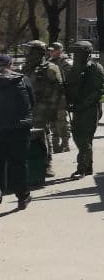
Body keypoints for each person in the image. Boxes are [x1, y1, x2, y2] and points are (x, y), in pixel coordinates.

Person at [21, 41, 61, 179]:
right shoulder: (26, 68)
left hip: (42, 109)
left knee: (43, 135)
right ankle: (30, 163)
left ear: (37, 53)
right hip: (27, 109)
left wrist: (51, 110)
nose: (27, 55)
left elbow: (58, 90)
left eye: (29, 51)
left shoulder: (50, 68)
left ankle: (47, 164)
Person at [66, 42, 104, 179]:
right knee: (80, 138)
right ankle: (88, 166)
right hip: (77, 108)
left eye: (79, 53)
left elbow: (98, 91)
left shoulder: (95, 68)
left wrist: (82, 105)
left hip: (89, 109)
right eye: (75, 53)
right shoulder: (76, 68)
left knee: (84, 139)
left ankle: (81, 168)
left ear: (86, 54)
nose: (76, 56)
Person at [0, 53, 33, 210]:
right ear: (10, 65)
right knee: (19, 163)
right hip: (19, 129)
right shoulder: (22, 79)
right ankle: (22, 197)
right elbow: (31, 102)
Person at [46, 42, 71, 153]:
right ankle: (55, 144)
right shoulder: (48, 62)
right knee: (52, 121)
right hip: (50, 96)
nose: (51, 52)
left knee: (62, 121)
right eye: (50, 50)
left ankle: (65, 144)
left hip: (61, 96)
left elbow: (69, 79)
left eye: (53, 50)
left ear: (60, 50)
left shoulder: (66, 62)